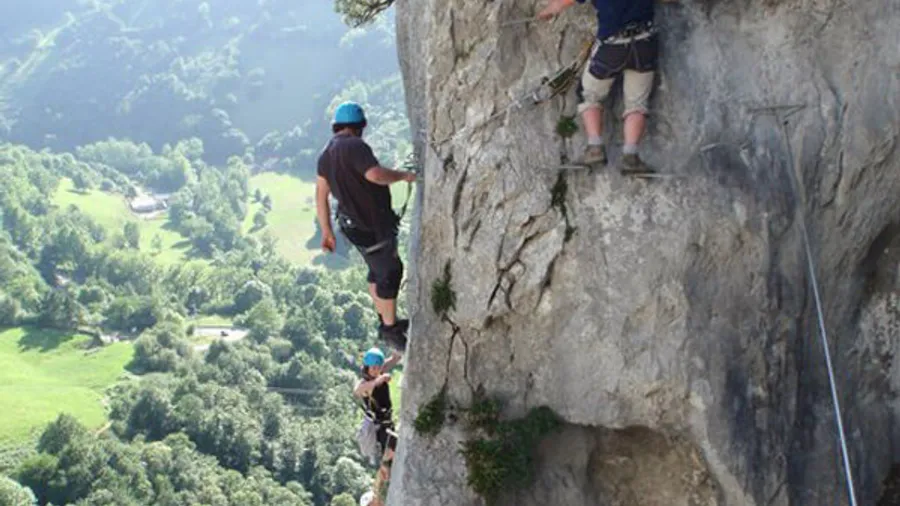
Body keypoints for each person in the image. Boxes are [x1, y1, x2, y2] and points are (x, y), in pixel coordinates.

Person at [316, 102, 416, 351]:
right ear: (359, 126)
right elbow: (375, 175)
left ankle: (386, 319)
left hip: (351, 226)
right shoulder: (355, 146)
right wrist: (403, 176)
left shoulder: (326, 154)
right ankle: (390, 330)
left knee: (376, 269)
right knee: (390, 271)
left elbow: (321, 196)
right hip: (370, 224)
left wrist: (327, 232)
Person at [538, 0, 659, 175]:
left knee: (589, 95)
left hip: (612, 46)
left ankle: (595, 148)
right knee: (637, 103)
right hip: (645, 44)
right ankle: (631, 156)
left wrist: (549, 10)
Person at [355, 348, 401, 505]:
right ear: (367, 367)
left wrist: (397, 353)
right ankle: (378, 495)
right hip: (378, 427)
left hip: (388, 422)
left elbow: (393, 360)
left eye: (378, 367)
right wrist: (378, 381)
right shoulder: (365, 382)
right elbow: (358, 391)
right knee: (389, 453)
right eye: (373, 368)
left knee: (391, 454)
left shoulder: (379, 371)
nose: (376, 370)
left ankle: (380, 493)